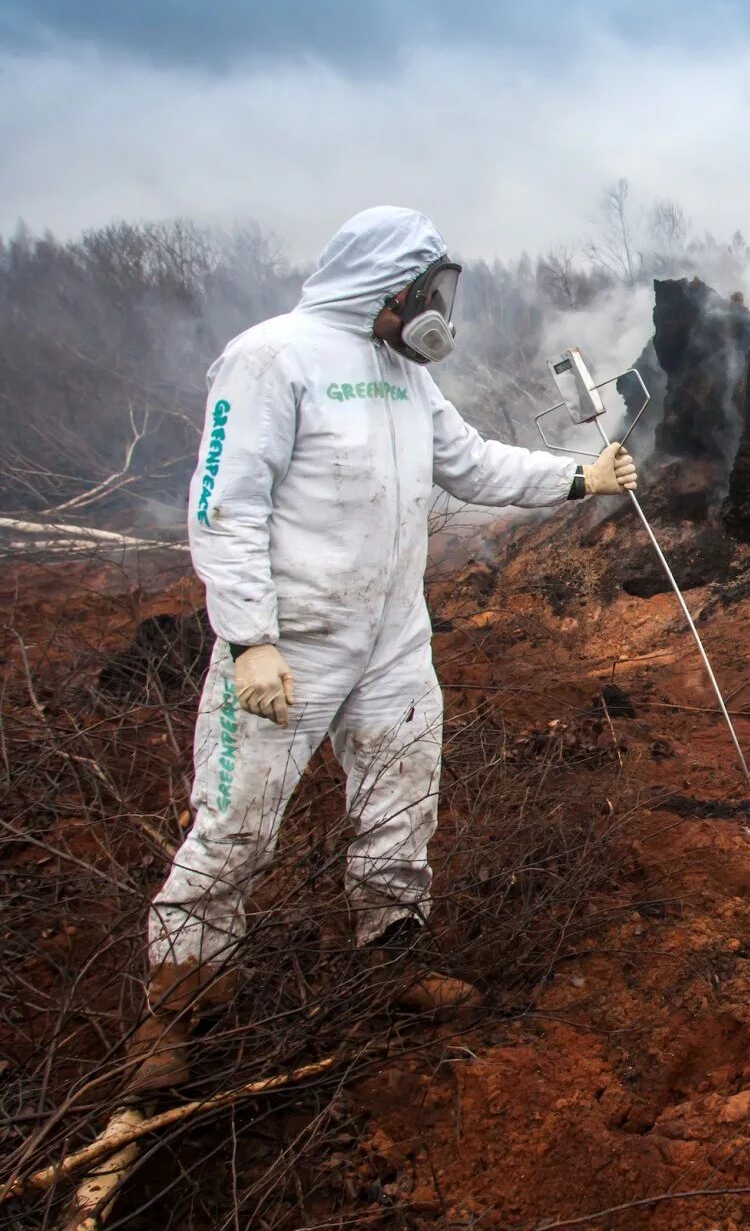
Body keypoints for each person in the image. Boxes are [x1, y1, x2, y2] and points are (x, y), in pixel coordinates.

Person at [128, 207, 637, 1093]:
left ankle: (390, 961)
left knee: (402, 802)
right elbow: (224, 505)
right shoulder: (271, 359)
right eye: (427, 289)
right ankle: (175, 1011)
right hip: (292, 646)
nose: (438, 307)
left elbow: (469, 463)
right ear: (385, 286)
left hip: (393, 638)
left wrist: (574, 477)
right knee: (236, 824)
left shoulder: (402, 372)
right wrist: (249, 639)